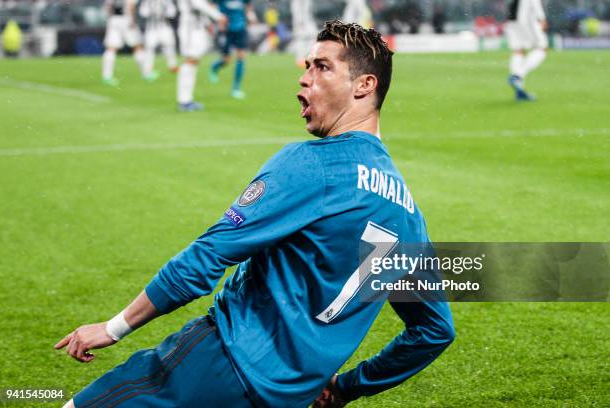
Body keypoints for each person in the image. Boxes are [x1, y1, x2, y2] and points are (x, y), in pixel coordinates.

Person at [56, 20, 455, 408]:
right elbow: (434, 331)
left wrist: (113, 327)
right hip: (288, 397)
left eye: (322, 66)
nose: (304, 78)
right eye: (307, 66)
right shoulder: (407, 213)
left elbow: (207, 258)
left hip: (217, 365)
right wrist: (347, 388)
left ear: (365, 85)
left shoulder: (313, 164)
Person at [175, 0, 225, 112]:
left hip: (196, 26)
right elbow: (199, 4)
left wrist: (208, 24)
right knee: (190, 61)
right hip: (190, 27)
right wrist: (218, 16)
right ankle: (184, 101)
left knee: (193, 61)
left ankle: (187, 100)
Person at [209, 0, 257, 99]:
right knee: (226, 60)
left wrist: (251, 17)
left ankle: (236, 89)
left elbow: (248, 6)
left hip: (240, 29)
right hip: (226, 30)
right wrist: (218, 20)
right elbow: (211, 7)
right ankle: (214, 67)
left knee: (241, 57)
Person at [505, 0, 548, 101]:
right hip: (526, 18)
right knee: (542, 48)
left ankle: (519, 90)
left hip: (512, 18)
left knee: (518, 50)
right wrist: (541, 18)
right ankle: (517, 76)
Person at [102, 0, 147, 85]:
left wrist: (109, 19)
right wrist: (132, 20)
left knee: (111, 48)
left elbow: (108, 6)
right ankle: (145, 73)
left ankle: (107, 76)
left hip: (113, 20)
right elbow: (131, 6)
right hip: (126, 19)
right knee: (137, 46)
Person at [139, 0, 179, 81]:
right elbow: (143, 13)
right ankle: (147, 71)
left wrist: (163, 12)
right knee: (149, 49)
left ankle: (172, 66)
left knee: (170, 45)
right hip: (151, 28)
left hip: (164, 26)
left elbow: (172, 13)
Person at [290, 0, 317, 68]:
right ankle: (301, 59)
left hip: (306, 21)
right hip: (302, 22)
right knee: (301, 36)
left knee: (312, 35)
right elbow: (297, 12)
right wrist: (300, 21)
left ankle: (305, 58)